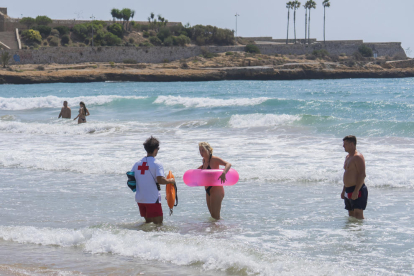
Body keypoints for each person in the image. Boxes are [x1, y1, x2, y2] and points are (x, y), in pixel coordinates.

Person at [131, 136, 175, 224]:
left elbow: (132, 179)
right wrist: (171, 181)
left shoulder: (137, 164)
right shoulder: (157, 163)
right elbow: (160, 180)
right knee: (158, 224)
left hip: (140, 199)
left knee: (148, 224)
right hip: (152, 199)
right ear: (155, 149)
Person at [198, 142, 231, 220]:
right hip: (207, 189)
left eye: (203, 150)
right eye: (200, 151)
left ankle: (222, 230)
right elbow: (203, 168)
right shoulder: (204, 160)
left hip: (216, 189)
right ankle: (215, 231)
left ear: (208, 150)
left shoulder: (214, 159)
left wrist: (224, 173)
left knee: (215, 216)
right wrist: (194, 172)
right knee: (213, 216)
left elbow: (228, 164)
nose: (201, 153)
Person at [341, 135, 368, 219]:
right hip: (348, 189)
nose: (343, 146)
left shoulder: (358, 157)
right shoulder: (348, 157)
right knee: (351, 215)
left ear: (351, 144)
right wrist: (344, 190)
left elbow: (362, 174)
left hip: (357, 189)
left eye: (345, 144)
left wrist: (356, 191)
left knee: (358, 214)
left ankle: (360, 231)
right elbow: (347, 174)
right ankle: (352, 232)